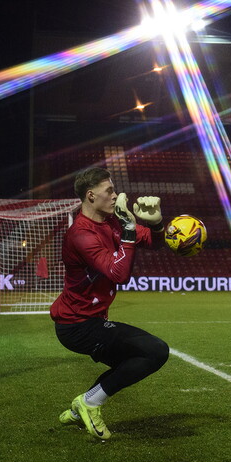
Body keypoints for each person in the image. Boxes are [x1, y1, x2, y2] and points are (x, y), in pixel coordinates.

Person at [51, 167, 169, 441]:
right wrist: (128, 229)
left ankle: (83, 407)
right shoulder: (80, 234)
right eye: (110, 191)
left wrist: (157, 223)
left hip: (89, 321)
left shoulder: (112, 222)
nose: (116, 196)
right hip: (77, 325)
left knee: (137, 358)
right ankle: (90, 403)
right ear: (91, 196)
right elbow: (119, 274)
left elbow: (154, 242)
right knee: (155, 350)